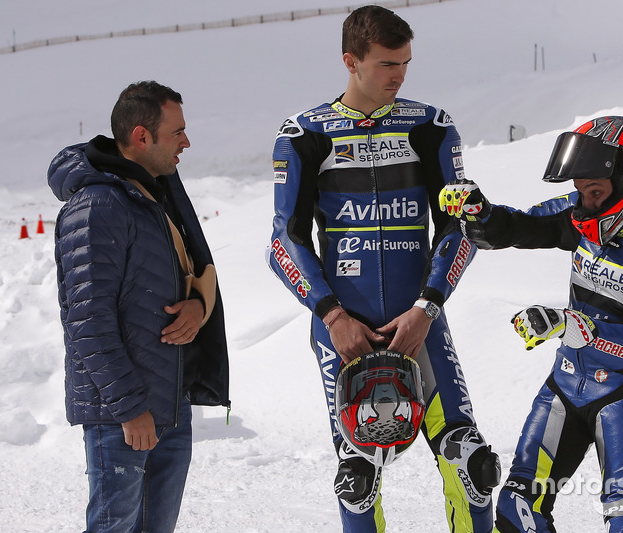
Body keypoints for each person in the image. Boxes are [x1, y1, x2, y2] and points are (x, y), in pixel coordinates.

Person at [267, 5, 500, 532]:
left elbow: (458, 229)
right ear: (351, 61)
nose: (398, 75)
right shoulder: (305, 133)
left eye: (406, 64)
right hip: (345, 331)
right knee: (358, 477)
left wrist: (428, 307)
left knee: (472, 467)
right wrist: (331, 316)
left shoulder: (430, 127)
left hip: (419, 325)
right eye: (386, 64)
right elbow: (284, 240)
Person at [439, 116, 623, 533]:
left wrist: (569, 325)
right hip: (566, 382)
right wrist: (480, 214)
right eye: (580, 190)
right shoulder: (579, 214)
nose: (585, 202)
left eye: (595, 190)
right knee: (516, 507)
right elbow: (518, 226)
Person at [48, 80, 230, 532]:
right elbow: (88, 322)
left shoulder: (154, 194)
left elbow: (188, 274)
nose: (186, 142)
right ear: (141, 136)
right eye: (177, 132)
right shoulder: (97, 206)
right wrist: (130, 409)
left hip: (170, 402)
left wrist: (196, 309)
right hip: (124, 416)